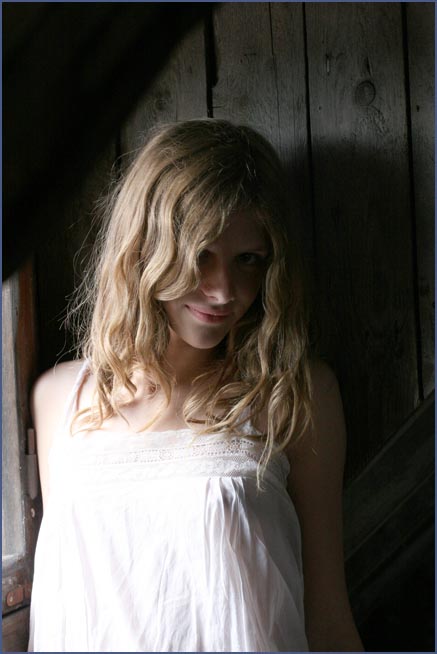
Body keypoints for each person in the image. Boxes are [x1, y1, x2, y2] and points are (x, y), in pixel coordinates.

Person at [28, 118, 364, 652]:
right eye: (200, 254)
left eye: (248, 260)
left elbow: (328, 619)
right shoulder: (58, 400)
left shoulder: (291, 395)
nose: (224, 290)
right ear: (145, 247)